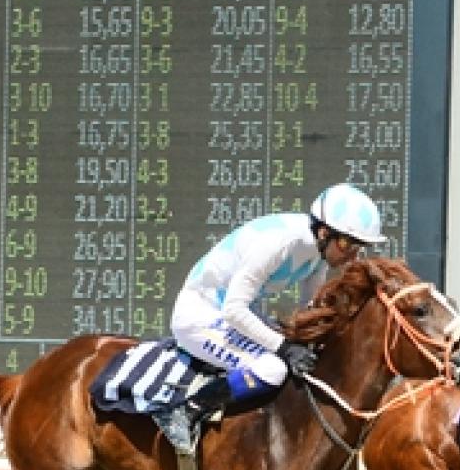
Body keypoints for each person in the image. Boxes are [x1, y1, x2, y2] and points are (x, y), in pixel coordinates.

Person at [159, 183, 386, 454]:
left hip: (233, 315)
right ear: (324, 232)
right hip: (200, 315)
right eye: (347, 243)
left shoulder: (319, 255)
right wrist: (285, 348)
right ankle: (185, 411)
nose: (352, 255)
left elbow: (309, 310)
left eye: (358, 247)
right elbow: (234, 309)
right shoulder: (279, 243)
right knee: (272, 369)